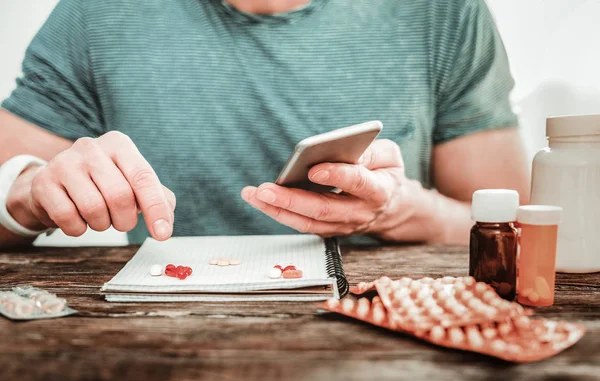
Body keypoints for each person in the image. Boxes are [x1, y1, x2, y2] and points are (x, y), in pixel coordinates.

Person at [0, 0, 529, 249]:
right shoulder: (97, 14)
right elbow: (10, 197)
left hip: (390, 338)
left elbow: (524, 231)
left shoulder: (442, 11)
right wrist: (26, 193)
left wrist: (400, 210)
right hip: (160, 343)